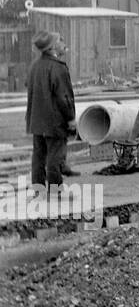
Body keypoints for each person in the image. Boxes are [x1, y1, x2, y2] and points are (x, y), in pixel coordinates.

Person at [25, 31, 76, 190]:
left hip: (36, 120)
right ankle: (56, 192)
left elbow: (30, 87)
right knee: (55, 156)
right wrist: (70, 119)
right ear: (53, 46)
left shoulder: (34, 65)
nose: (64, 43)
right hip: (54, 122)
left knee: (38, 157)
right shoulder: (58, 67)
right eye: (60, 40)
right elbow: (64, 97)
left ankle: (38, 191)